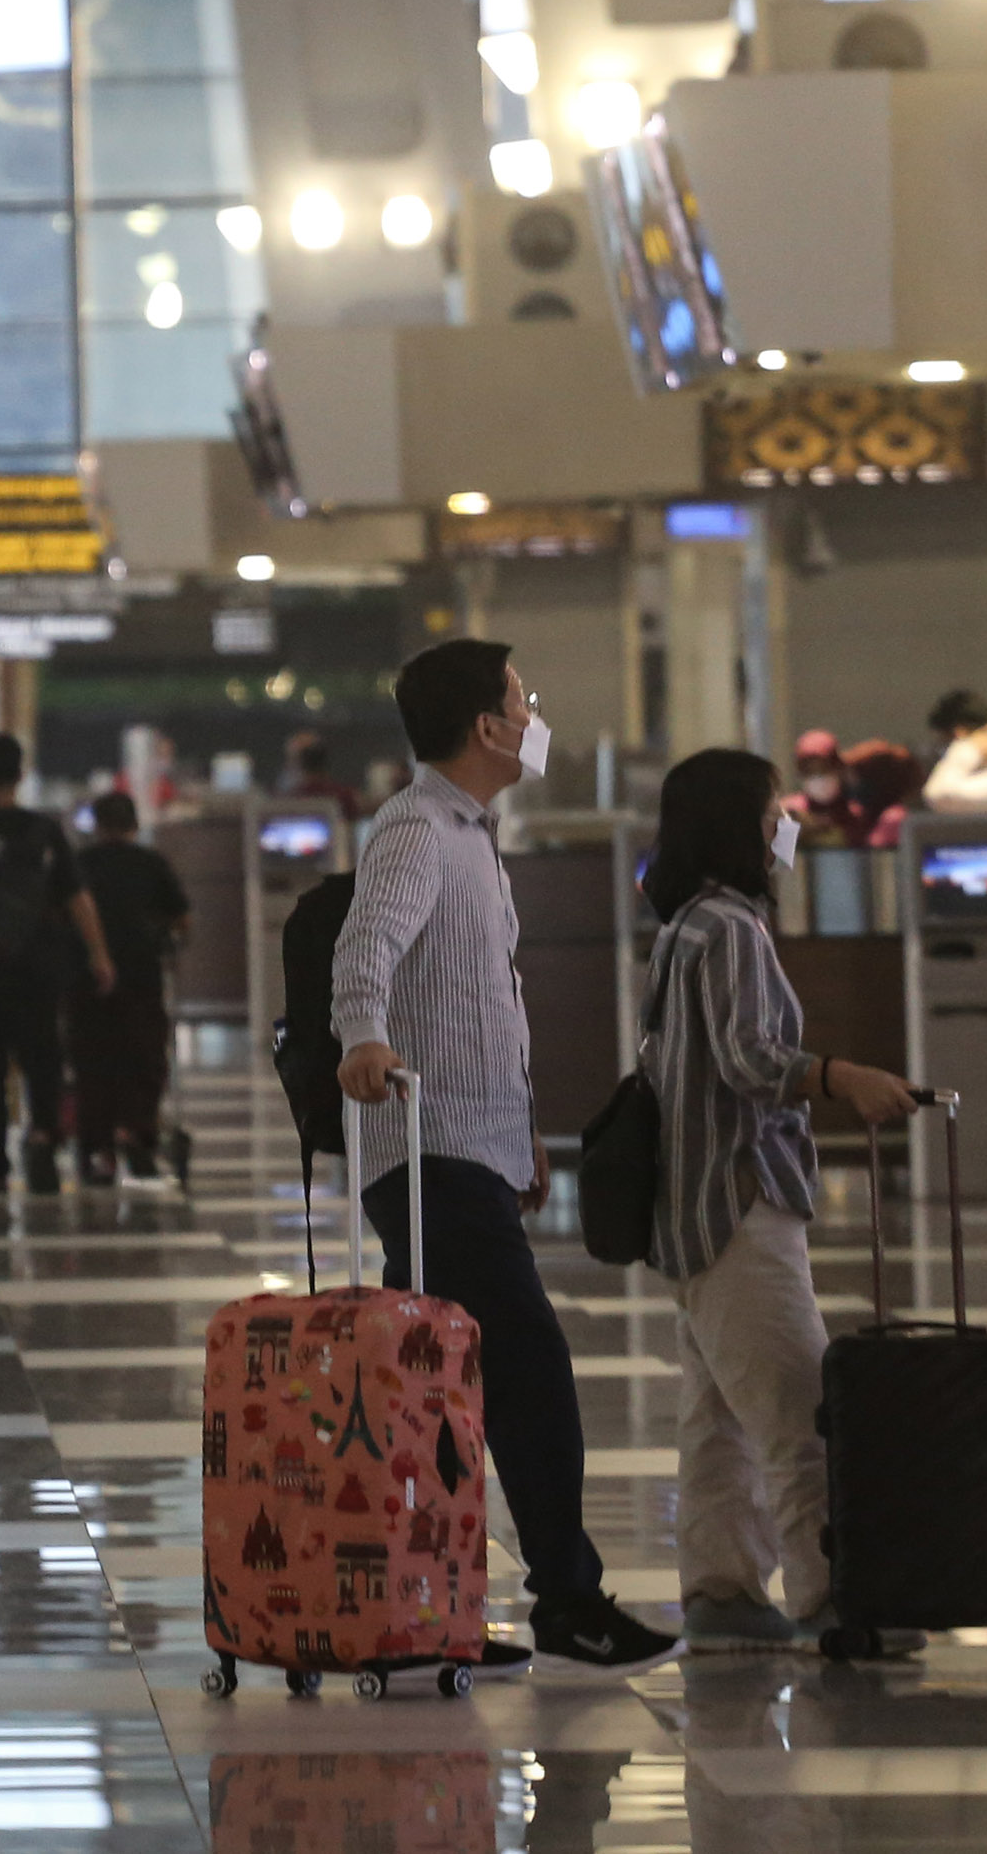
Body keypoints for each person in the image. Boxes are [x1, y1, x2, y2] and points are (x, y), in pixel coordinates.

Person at [333, 639, 680, 1674]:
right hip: (427, 1147)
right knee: (527, 1367)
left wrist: (516, 1128)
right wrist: (363, 1039)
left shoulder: (472, 835)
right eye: (523, 702)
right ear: (486, 727)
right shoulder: (416, 829)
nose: (534, 718)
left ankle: (421, 1607)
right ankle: (565, 1600)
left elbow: (483, 1005)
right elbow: (365, 947)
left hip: (469, 1146)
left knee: (437, 1383)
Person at [636, 747, 926, 1648]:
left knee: (719, 1416)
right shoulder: (729, 929)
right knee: (802, 1410)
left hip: (689, 1209)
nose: (784, 828)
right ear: (738, 825)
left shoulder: (686, 924)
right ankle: (834, 1595)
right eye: (772, 814)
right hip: (738, 1200)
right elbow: (749, 1057)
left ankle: (722, 1588)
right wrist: (842, 1076)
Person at [0, 734, 116, 1195]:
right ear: (21, 774)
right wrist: (99, 953)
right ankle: (43, 1138)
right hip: (39, 964)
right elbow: (78, 899)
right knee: (43, 1058)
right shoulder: (46, 831)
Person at [71, 792, 192, 1188]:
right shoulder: (151, 863)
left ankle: (98, 1149)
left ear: (96, 826)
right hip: (141, 975)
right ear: (134, 824)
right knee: (144, 1057)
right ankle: (137, 1135)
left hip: (88, 977)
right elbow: (182, 919)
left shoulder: (79, 864)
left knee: (93, 1061)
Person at [787, 730, 857, 848]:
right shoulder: (790, 812)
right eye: (810, 772)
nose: (819, 778)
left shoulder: (856, 814)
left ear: (839, 768)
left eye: (825, 769)